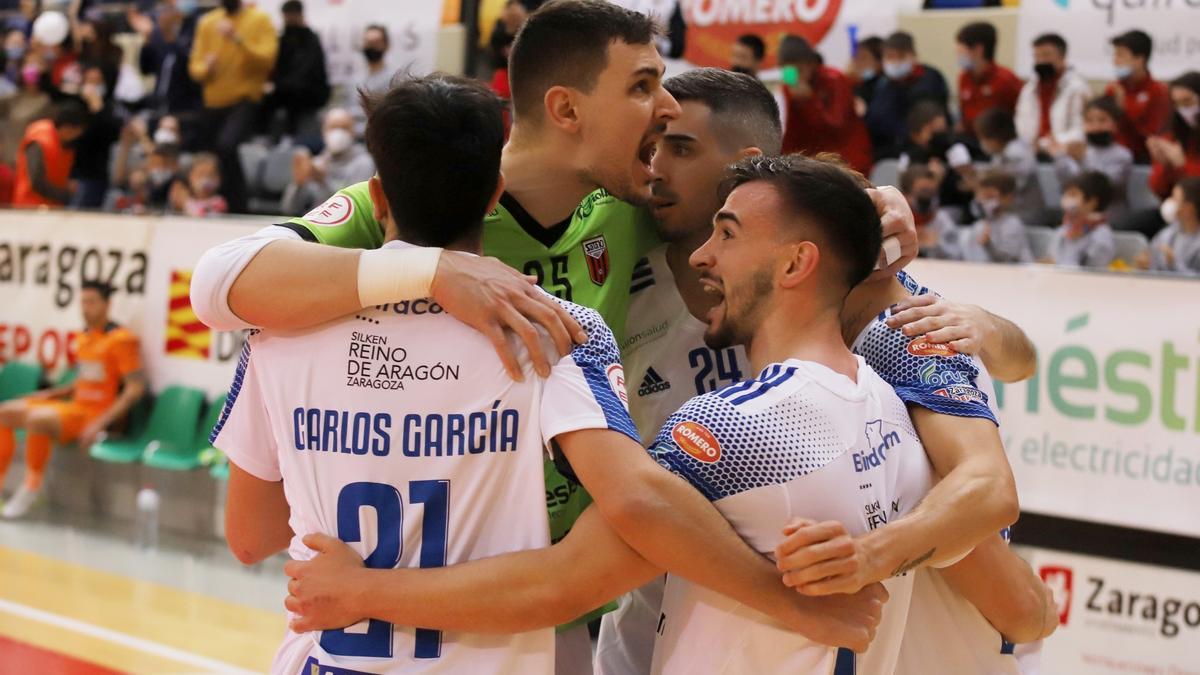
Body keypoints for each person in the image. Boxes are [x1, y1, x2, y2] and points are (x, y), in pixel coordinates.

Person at [281, 73, 1041, 675]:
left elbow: (1017, 581)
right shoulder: (628, 258)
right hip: (648, 627)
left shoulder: (867, 333)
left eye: (676, 146)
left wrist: (989, 333)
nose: (652, 166)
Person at [0, 281, 145, 519]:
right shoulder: (84, 337)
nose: (85, 308)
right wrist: (51, 394)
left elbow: (134, 388)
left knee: (37, 420)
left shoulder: (121, 340)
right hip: (74, 407)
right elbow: (84, 380)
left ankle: (32, 489)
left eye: (91, 302)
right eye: (82, 302)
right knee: (5, 411)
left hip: (95, 414)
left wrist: (100, 423)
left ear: (108, 305)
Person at [188, 0, 278, 214]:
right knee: (212, 155)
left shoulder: (259, 19)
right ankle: (218, 205)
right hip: (212, 101)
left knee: (227, 146)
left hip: (244, 98)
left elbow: (267, 60)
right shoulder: (208, 22)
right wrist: (205, 68)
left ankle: (240, 206)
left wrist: (238, 39)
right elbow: (195, 67)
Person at [778, 35, 872, 174]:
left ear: (810, 64)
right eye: (789, 71)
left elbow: (836, 125)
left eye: (799, 70)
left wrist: (809, 102)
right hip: (810, 161)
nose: (795, 76)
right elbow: (789, 128)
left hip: (846, 160)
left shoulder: (834, 79)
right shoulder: (789, 82)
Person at [865, 31, 949, 159]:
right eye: (889, 57)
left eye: (900, 56)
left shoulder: (929, 80)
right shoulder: (884, 84)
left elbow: (924, 121)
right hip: (889, 151)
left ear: (913, 55)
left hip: (924, 151)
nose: (895, 62)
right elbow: (876, 118)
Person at [281, 108, 374, 216]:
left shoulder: (364, 163)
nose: (338, 133)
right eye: (333, 127)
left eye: (344, 128)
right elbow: (288, 208)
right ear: (323, 131)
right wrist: (298, 185)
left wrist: (323, 180)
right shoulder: (316, 163)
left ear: (353, 132)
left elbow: (353, 208)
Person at [1051, 96, 1132, 219]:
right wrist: (1059, 155)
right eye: (1089, 121)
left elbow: (1102, 187)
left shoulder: (1122, 155)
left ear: (1115, 124)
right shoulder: (1078, 149)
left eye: (1102, 120)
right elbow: (1065, 182)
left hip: (1110, 217)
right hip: (1075, 215)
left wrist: (1082, 160)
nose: (1096, 126)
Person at [265, 0, 329, 142]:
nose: (288, 19)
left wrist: (286, 85)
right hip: (286, 97)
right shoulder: (282, 39)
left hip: (307, 97)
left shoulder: (311, 40)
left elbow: (310, 69)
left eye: (291, 15)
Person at [1015, 33, 1090, 152]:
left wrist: (1047, 144)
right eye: (1036, 56)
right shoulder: (1029, 89)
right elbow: (1021, 123)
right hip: (1031, 152)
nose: (1040, 61)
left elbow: (1081, 128)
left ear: (1062, 57)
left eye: (1046, 55)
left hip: (1064, 152)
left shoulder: (1077, 88)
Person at [1104, 30, 1170, 164]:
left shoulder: (1158, 92)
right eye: (1115, 55)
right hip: (1111, 157)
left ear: (1140, 59)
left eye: (1121, 55)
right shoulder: (1113, 89)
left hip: (1142, 160)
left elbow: (1153, 137)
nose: (1115, 61)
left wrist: (1123, 112)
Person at [975, 107, 1044, 224]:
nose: (982, 143)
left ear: (996, 136)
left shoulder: (1019, 153)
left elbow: (1008, 187)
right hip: (1008, 213)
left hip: (1025, 214)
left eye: (984, 138)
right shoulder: (999, 154)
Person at [137, 3, 204, 124]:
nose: (161, 15)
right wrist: (147, 39)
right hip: (160, 105)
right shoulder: (158, 38)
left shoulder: (195, 29)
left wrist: (169, 36)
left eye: (167, 10)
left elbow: (189, 68)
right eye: (162, 10)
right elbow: (146, 69)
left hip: (185, 109)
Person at [955, 21, 1022, 139]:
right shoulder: (964, 78)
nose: (957, 53)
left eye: (961, 48)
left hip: (999, 141)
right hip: (970, 139)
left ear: (978, 49)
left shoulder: (1005, 79)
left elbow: (1020, 116)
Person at [12, 99, 85, 207]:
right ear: (67, 128)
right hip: (29, 206)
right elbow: (36, 181)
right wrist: (66, 195)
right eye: (75, 131)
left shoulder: (65, 144)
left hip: (51, 207)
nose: (76, 136)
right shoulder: (40, 139)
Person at [68, 65, 122, 209]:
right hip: (75, 173)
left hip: (97, 173)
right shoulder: (75, 106)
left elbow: (111, 135)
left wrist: (98, 109)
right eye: (90, 81)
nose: (93, 86)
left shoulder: (110, 107)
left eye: (97, 81)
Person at [959, 169, 1032, 264]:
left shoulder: (1013, 224)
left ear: (1008, 197)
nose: (981, 200)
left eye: (989, 196)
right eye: (979, 195)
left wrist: (988, 246)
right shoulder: (978, 226)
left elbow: (1009, 262)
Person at [1045, 171, 1116, 268]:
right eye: (1065, 194)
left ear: (1092, 202)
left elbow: (1095, 275)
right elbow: (1052, 261)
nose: (1066, 199)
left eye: (1073, 194)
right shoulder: (1061, 231)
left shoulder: (1101, 236)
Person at [1147, 72, 1200, 200]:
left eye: (1187, 101)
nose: (1183, 109)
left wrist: (1182, 165)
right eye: (1177, 103)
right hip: (1178, 205)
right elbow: (1159, 190)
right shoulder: (1172, 135)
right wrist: (1164, 166)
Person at [0, 51, 52, 165]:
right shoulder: (13, 97)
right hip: (7, 157)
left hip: (30, 162)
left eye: (37, 63)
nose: (32, 67)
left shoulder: (48, 101)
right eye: (28, 63)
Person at [1140, 176, 1200, 274]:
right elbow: (1154, 265)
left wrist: (1174, 264)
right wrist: (1147, 265)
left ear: (1189, 207)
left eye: (1174, 198)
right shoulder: (1166, 234)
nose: (1169, 201)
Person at [901, 163, 959, 259]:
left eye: (931, 192)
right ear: (907, 194)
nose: (928, 198)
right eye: (923, 191)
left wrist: (937, 244)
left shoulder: (941, 219)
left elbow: (957, 255)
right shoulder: (894, 218)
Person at [345, 24, 393, 136]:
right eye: (368, 43)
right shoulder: (354, 79)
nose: (371, 47)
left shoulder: (392, 80)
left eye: (376, 43)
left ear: (386, 45)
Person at [171, 151, 227, 217]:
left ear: (219, 178)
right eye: (200, 174)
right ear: (190, 176)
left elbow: (200, 214)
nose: (206, 180)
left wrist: (185, 202)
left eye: (211, 175)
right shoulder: (180, 197)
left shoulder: (219, 202)